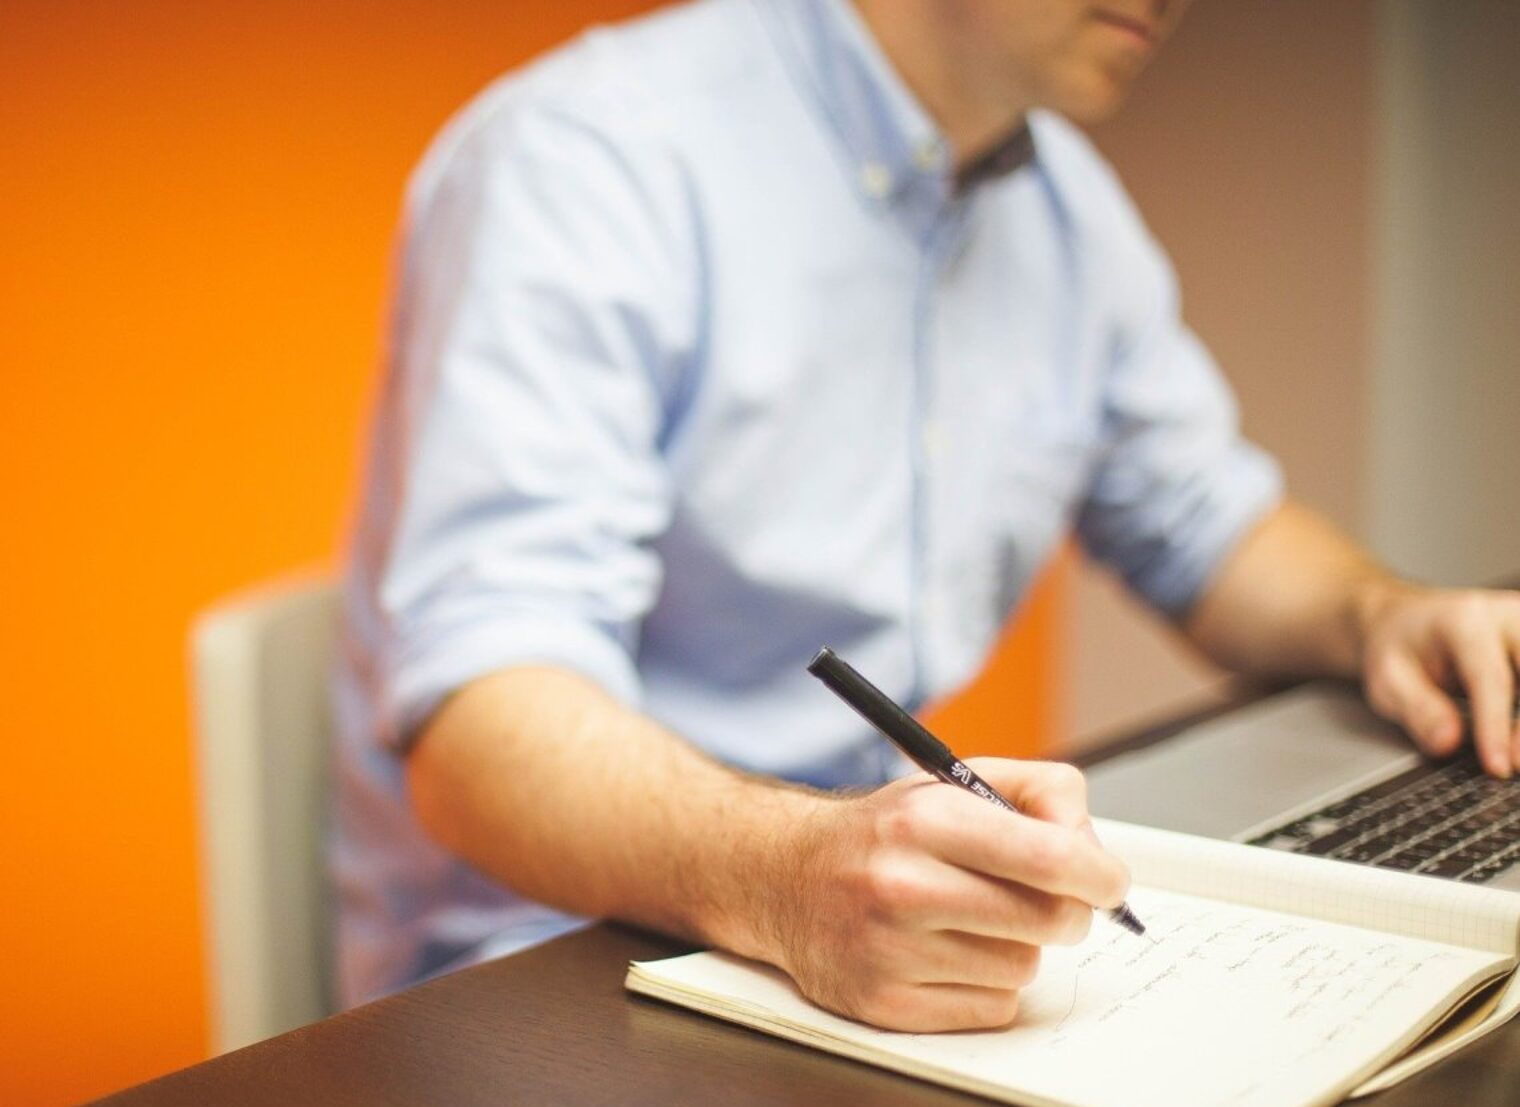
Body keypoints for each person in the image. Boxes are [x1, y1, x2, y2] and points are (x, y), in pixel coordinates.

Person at [334, 0, 1520, 1029]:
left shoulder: (1061, 210)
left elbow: (1205, 525)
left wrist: (1378, 615)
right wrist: (790, 879)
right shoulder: (588, 158)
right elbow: (479, 732)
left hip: (855, 930)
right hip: (547, 983)